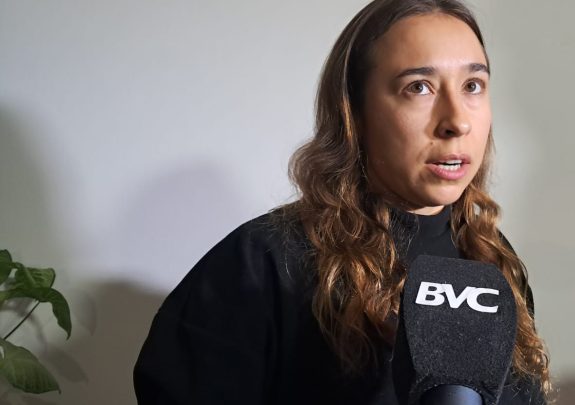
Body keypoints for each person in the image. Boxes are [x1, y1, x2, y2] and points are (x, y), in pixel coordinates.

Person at [133, 0, 551, 403]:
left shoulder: (491, 260)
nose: (457, 121)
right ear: (355, 112)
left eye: (472, 85)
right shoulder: (263, 263)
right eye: (418, 87)